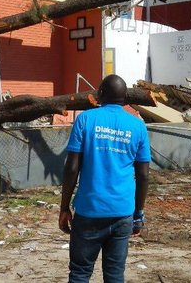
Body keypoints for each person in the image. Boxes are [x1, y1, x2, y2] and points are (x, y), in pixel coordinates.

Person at [59, 74, 150, 283]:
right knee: (115, 275)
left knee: (80, 274)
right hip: (122, 213)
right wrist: (139, 214)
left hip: (89, 212)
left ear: (99, 94)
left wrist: (64, 208)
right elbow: (143, 175)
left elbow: (72, 168)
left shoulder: (85, 119)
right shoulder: (137, 126)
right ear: (125, 97)